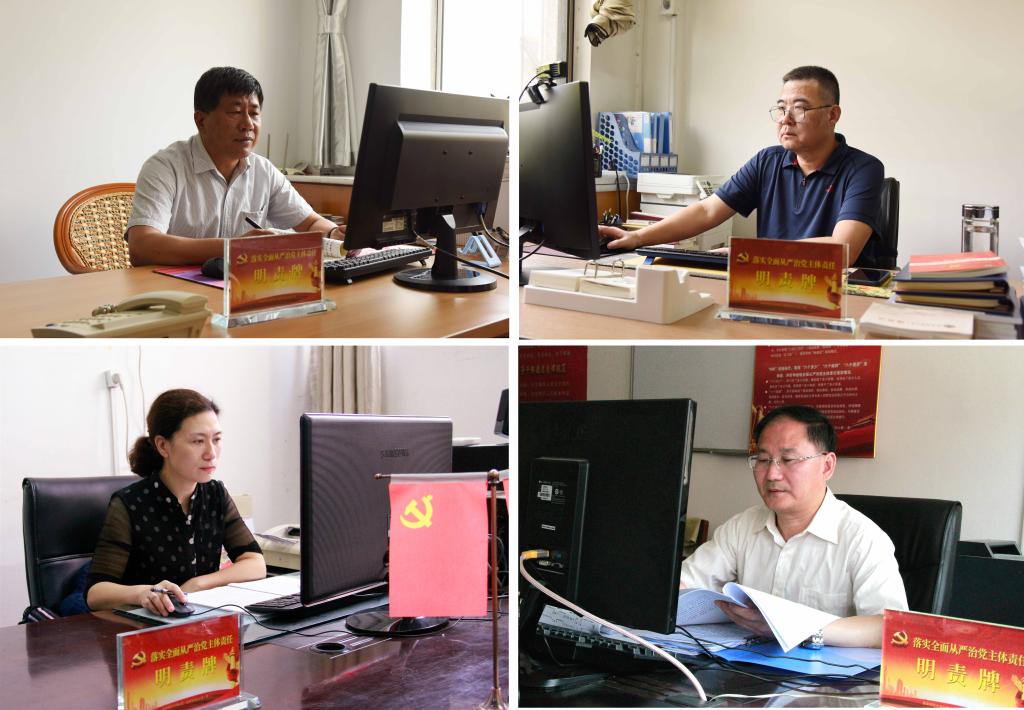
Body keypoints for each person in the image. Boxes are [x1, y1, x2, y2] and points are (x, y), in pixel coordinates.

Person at [599, 66, 883, 264]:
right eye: (781, 108)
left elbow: (843, 249)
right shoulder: (767, 161)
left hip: (838, 294)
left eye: (799, 108)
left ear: (832, 115)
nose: (785, 119)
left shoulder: (863, 169)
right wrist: (637, 237)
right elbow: (707, 210)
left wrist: (751, 252)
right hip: (768, 283)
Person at [680, 405, 907, 648]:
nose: (772, 474)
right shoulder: (741, 527)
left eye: (788, 460)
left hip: (825, 671)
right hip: (744, 665)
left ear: (827, 466)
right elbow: (685, 585)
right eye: (763, 460)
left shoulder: (863, 539)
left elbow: (891, 629)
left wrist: (797, 628)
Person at [126, 66, 343, 266]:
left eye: (254, 113)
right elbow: (142, 246)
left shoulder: (263, 171)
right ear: (201, 121)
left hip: (241, 288)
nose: (248, 124)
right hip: (175, 290)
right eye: (235, 112)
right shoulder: (165, 167)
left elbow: (310, 223)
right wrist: (235, 248)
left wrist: (335, 234)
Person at [86, 389, 266, 617]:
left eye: (216, 439)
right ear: (163, 446)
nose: (211, 453)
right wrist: (143, 593)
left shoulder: (215, 494)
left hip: (201, 620)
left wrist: (198, 584)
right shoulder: (130, 504)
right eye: (198, 441)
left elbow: (255, 563)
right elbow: (96, 593)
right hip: (145, 626)